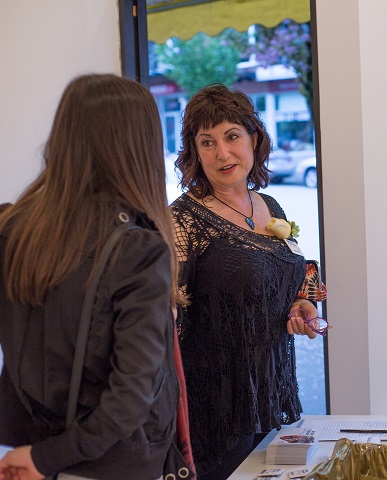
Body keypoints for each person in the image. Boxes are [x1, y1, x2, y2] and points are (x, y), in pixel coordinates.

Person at [0, 74, 186, 480]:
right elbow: (131, 396)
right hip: (111, 462)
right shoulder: (138, 251)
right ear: (139, 146)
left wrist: (40, 457)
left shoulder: (14, 229)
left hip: (30, 453)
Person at [171, 83, 326, 479]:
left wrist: (301, 305)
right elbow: (169, 324)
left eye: (232, 136)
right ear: (194, 151)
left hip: (272, 393)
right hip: (217, 409)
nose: (222, 153)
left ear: (254, 140)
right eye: (207, 142)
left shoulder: (269, 204)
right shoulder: (182, 221)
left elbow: (284, 278)